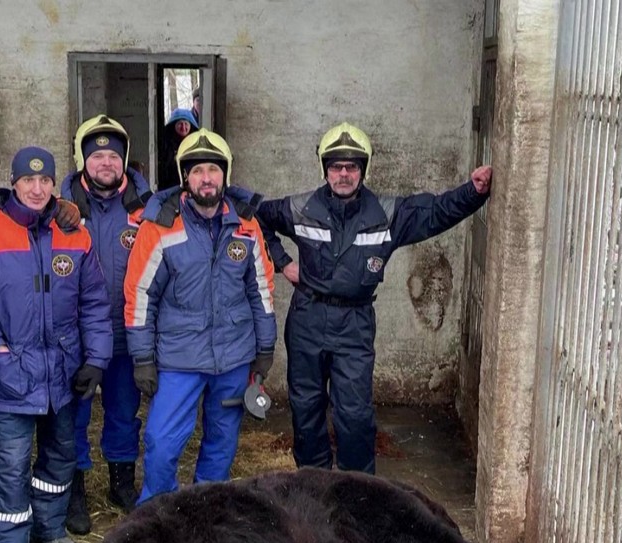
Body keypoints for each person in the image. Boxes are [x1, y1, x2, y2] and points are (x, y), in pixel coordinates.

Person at [256, 121, 492, 474]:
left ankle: (357, 494)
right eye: (336, 166)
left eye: (352, 166)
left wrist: (473, 192)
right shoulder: (300, 207)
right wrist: (283, 262)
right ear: (325, 170)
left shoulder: (387, 213)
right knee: (306, 406)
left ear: (363, 169)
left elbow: (436, 211)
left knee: (354, 413)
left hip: (354, 323)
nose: (344, 174)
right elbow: (257, 218)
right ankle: (313, 484)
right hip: (307, 317)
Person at [0, 146, 112, 543]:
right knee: (8, 468)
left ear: (54, 184)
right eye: (27, 180)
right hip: (11, 373)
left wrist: (95, 359)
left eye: (45, 180)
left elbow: (94, 303)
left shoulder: (75, 235)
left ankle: (48, 526)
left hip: (62, 373)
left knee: (59, 456)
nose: (36, 188)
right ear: (14, 181)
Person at [124, 129, 277, 503]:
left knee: (222, 442)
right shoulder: (160, 225)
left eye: (213, 169)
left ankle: (207, 513)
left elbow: (261, 289)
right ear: (184, 178)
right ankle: (157, 513)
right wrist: (142, 358)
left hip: (234, 357)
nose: (206, 178)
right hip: (179, 357)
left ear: (225, 175)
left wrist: (266, 347)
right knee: (161, 441)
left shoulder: (246, 225)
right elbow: (140, 294)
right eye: (196, 171)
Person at [60, 115, 152, 533]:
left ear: (124, 161)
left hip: (126, 331)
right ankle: (73, 487)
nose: (105, 163)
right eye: (96, 155)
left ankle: (120, 482)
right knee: (74, 413)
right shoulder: (58, 207)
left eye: (113, 156)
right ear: (83, 161)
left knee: (123, 409)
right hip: (74, 335)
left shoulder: (145, 208)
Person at [158, 108, 199, 190]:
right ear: (174, 125)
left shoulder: (196, 144)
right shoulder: (165, 144)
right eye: (180, 124)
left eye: (186, 124)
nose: (183, 127)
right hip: (169, 187)